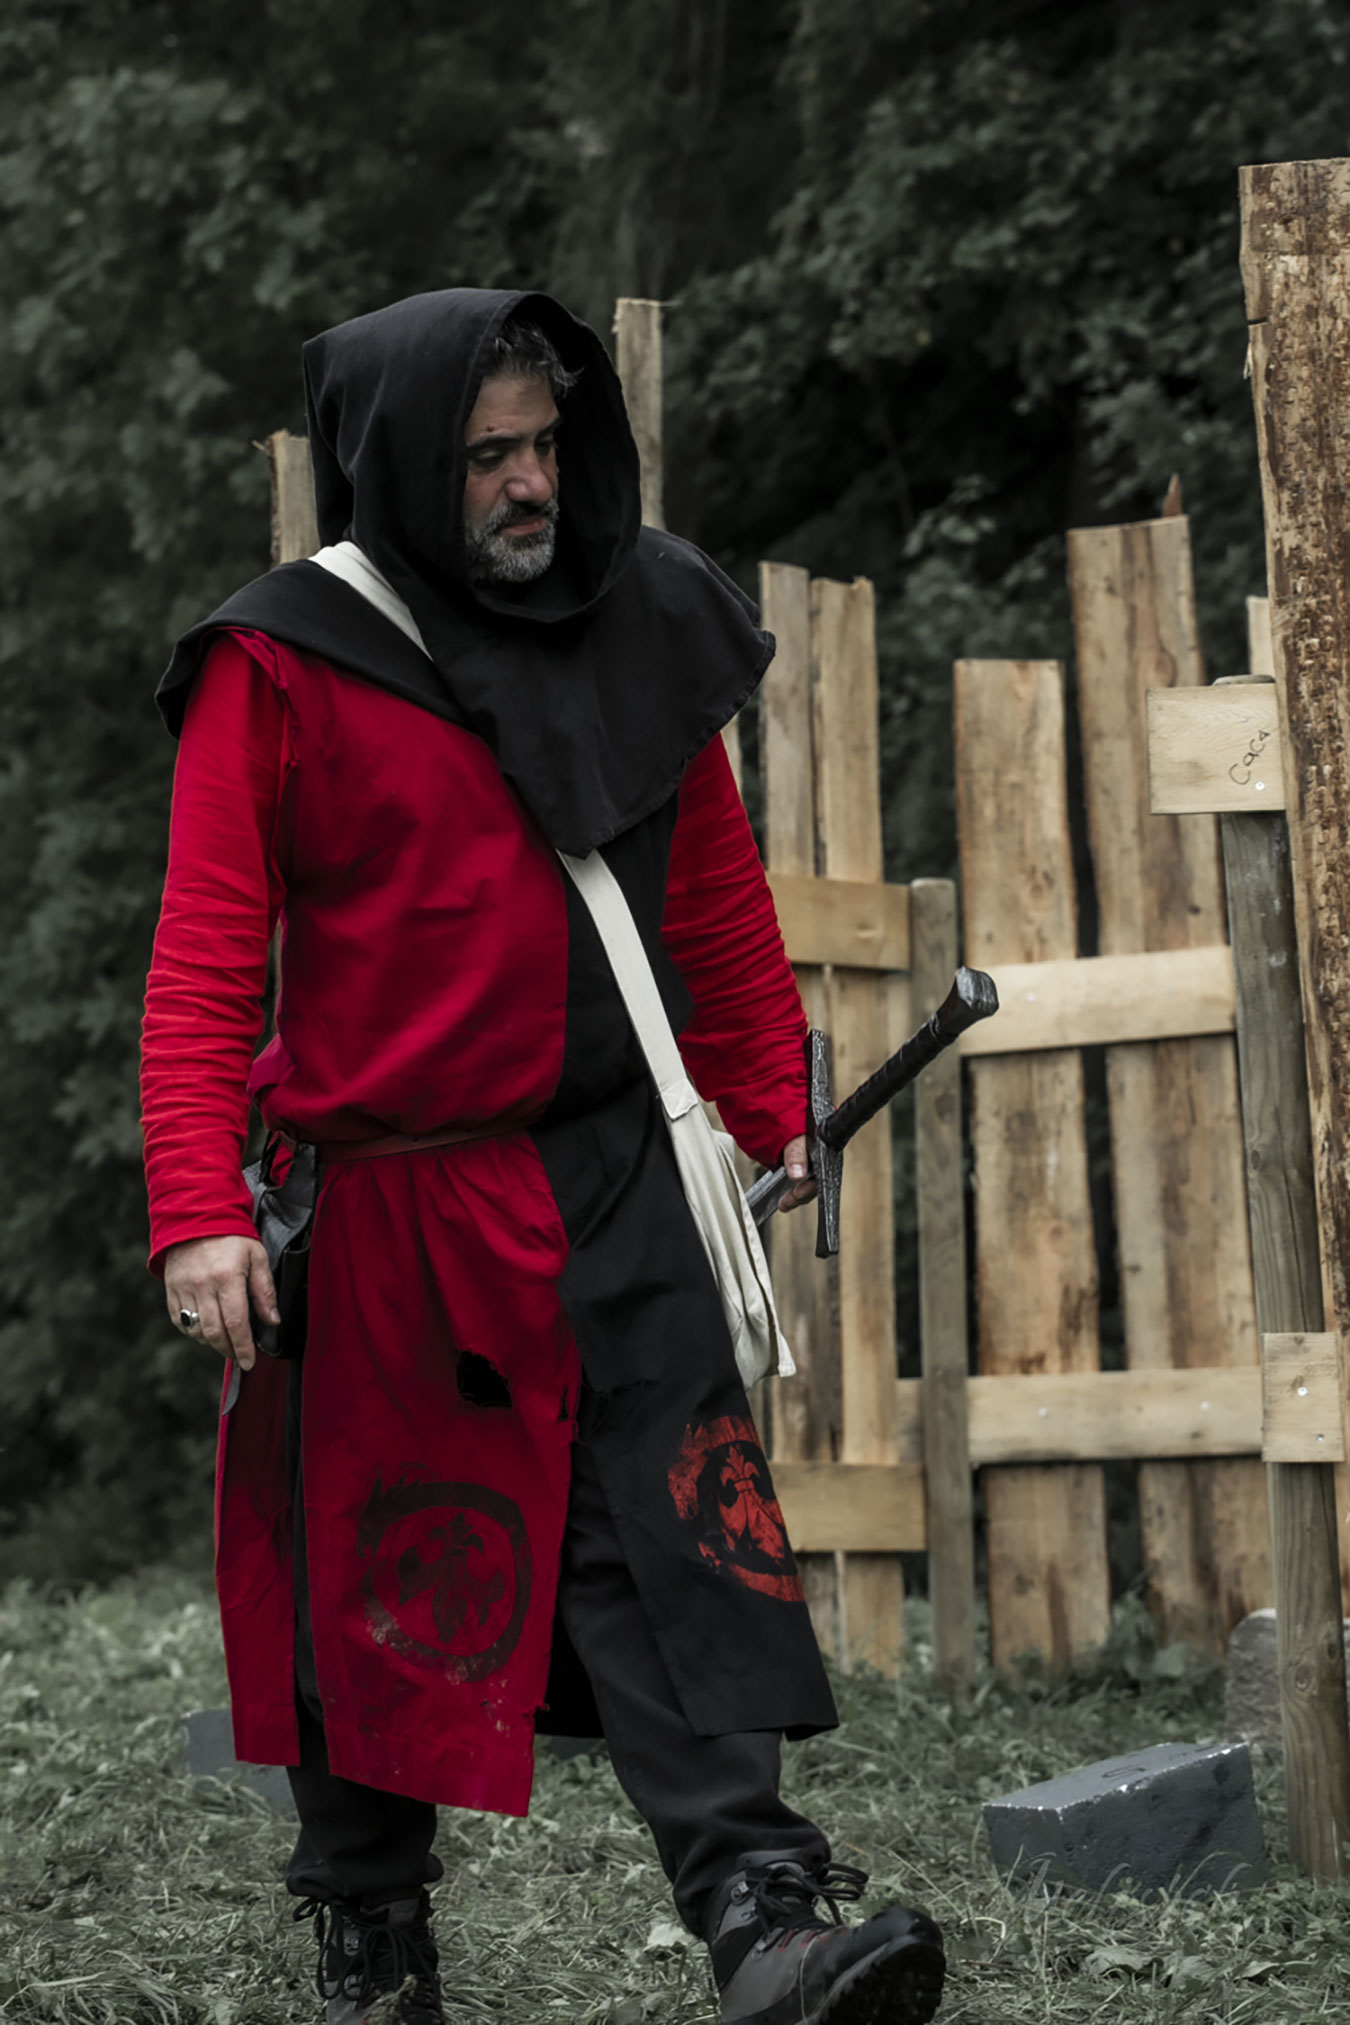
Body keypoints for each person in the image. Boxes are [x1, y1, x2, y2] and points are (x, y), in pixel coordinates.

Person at [140, 289, 946, 2025]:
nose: (526, 484)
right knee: (374, 1576)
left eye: (543, 446)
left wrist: (768, 1100)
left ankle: (762, 1919)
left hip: (611, 1171)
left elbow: (709, 893)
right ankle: (377, 1941)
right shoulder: (282, 661)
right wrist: (200, 1204)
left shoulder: (638, 611)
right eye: (485, 454)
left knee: (677, 1537)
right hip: (389, 1200)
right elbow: (205, 949)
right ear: (399, 467)